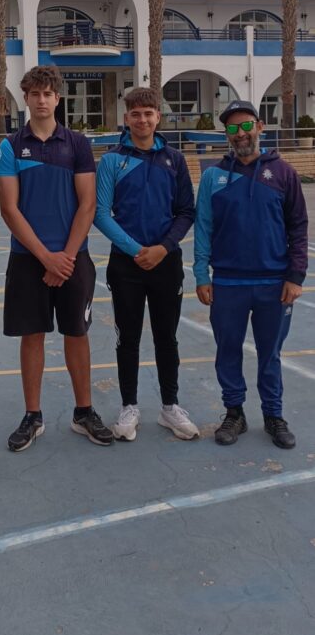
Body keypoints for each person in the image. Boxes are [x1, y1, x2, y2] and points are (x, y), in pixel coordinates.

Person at [0, 65, 113, 451]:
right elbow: (9, 209)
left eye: (48, 93)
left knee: (76, 334)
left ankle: (84, 412)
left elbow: (87, 204)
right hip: (29, 258)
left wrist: (65, 257)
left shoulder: (77, 144)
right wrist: (46, 258)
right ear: (26, 98)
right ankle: (33, 415)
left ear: (58, 98)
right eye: (35, 93)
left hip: (72, 258)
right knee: (32, 336)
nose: (41, 100)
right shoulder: (11, 145)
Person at [194, 99, 308, 449]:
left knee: (270, 353)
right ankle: (234, 413)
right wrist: (201, 275)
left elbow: (298, 227)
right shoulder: (213, 176)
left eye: (246, 125)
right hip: (228, 283)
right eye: (232, 127)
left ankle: (274, 415)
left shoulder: (283, 173)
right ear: (226, 134)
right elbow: (203, 227)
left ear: (260, 126)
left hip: (274, 284)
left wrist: (296, 276)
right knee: (227, 350)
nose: (240, 133)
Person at [94, 86, 198, 442]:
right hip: (127, 265)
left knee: (167, 337)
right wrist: (138, 250)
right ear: (126, 118)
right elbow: (100, 213)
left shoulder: (174, 159)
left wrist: (163, 248)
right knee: (128, 338)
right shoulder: (112, 161)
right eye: (135, 114)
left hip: (166, 262)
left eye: (148, 113)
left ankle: (170, 406)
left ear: (158, 117)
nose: (142, 120)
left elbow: (186, 212)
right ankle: (130, 406)